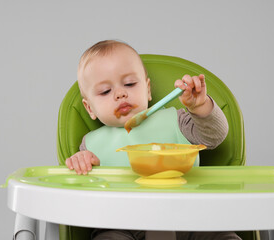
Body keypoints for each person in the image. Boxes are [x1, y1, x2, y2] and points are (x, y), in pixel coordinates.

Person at [65, 40, 241, 240]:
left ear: (147, 90)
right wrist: (83, 166)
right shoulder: (91, 145)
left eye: (130, 84)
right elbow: (83, 201)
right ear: (90, 109)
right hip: (121, 223)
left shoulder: (177, 120)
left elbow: (215, 136)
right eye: (106, 91)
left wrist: (199, 107)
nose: (120, 93)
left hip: (189, 217)